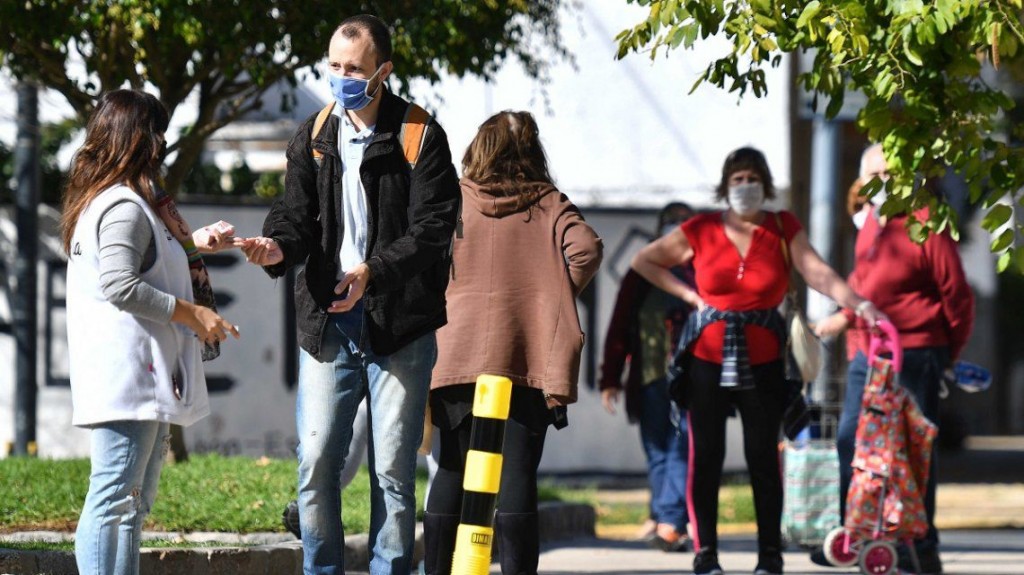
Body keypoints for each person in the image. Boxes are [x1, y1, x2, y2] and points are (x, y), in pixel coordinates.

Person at [241, 14, 460, 575]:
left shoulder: (419, 135)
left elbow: (433, 228)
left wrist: (373, 271)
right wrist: (276, 248)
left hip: (399, 325)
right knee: (316, 462)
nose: (342, 78)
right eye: (334, 66)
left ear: (383, 71)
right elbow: (295, 217)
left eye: (355, 69)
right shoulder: (315, 135)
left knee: (392, 472)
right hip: (330, 323)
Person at [631, 147, 885, 575]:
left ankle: (770, 555)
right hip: (707, 359)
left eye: (752, 179)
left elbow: (817, 272)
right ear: (726, 186)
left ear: (764, 185)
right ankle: (706, 554)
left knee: (763, 458)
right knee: (705, 456)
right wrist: (689, 295)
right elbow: (645, 260)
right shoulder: (702, 228)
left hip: (765, 360)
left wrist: (859, 304)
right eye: (737, 179)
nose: (745, 186)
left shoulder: (782, 226)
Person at [62, 89, 241, 575]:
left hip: (136, 377)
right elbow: (120, 284)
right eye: (157, 132)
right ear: (138, 138)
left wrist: (195, 243)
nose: (163, 143)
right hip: (129, 378)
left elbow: (142, 262)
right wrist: (192, 314)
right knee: (115, 499)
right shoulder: (124, 205)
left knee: (128, 504)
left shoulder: (123, 202)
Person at [422, 110, 603, 575]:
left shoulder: (452, 199)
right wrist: (550, 299)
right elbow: (586, 249)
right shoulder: (549, 203)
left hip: (455, 350)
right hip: (525, 357)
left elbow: (422, 255)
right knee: (518, 471)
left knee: (453, 466)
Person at [813, 143, 975, 575]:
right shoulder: (870, 224)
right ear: (862, 181)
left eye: (892, 173)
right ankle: (856, 534)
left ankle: (919, 544)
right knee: (850, 439)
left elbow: (957, 295)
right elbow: (864, 287)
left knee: (912, 451)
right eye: (875, 175)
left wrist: (948, 353)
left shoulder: (925, 223)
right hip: (869, 351)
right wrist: (844, 318)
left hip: (918, 352)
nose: (883, 182)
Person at [599, 202, 695, 552]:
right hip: (651, 375)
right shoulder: (640, 272)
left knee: (682, 446)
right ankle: (662, 516)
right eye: (671, 222)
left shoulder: (701, 270)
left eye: (684, 222)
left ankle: (670, 520)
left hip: (692, 376)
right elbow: (620, 327)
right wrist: (610, 378)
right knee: (658, 450)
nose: (676, 228)